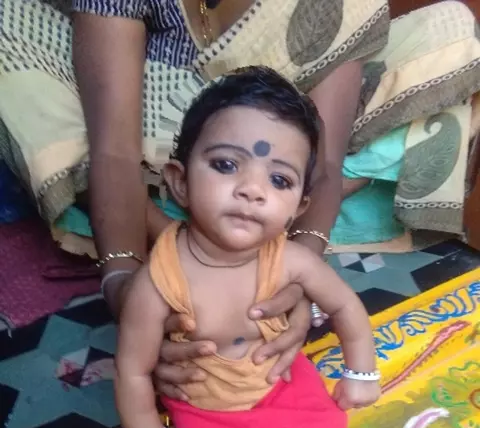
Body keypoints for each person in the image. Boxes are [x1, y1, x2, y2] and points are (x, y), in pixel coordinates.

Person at [0, 0, 479, 398]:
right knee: (12, 24)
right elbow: (114, 151)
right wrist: (124, 288)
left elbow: (324, 164)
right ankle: (184, 220)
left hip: (276, 140)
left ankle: (231, 220)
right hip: (152, 135)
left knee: (450, 30)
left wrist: (296, 276)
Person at [115, 67, 393, 428]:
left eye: (279, 180)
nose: (251, 190)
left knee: (325, 423)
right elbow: (132, 369)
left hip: (280, 385)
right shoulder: (158, 282)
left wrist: (361, 370)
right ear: (178, 181)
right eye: (226, 165)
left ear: (300, 205)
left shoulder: (289, 260)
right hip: (208, 411)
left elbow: (344, 305)